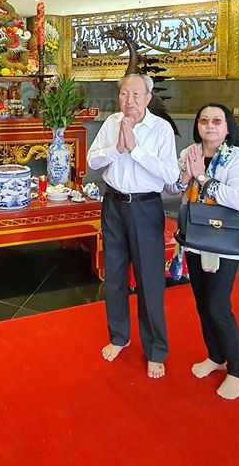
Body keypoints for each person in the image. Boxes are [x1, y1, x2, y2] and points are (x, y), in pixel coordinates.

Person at [87, 73, 179, 379]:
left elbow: (170, 174)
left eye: (136, 95)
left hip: (145, 207)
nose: (130, 101)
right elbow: (93, 161)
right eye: (125, 94)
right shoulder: (111, 122)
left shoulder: (161, 128)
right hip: (113, 204)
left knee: (149, 280)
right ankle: (119, 337)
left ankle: (155, 350)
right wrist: (117, 148)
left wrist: (136, 149)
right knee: (114, 275)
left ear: (148, 98)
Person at [169, 102, 239, 400]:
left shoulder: (238, 157)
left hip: (222, 242)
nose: (210, 126)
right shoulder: (189, 152)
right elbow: (173, 189)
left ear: (228, 127)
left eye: (217, 121)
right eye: (204, 120)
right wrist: (184, 176)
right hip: (194, 236)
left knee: (218, 306)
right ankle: (216, 356)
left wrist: (203, 177)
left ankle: (238, 370)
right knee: (202, 303)